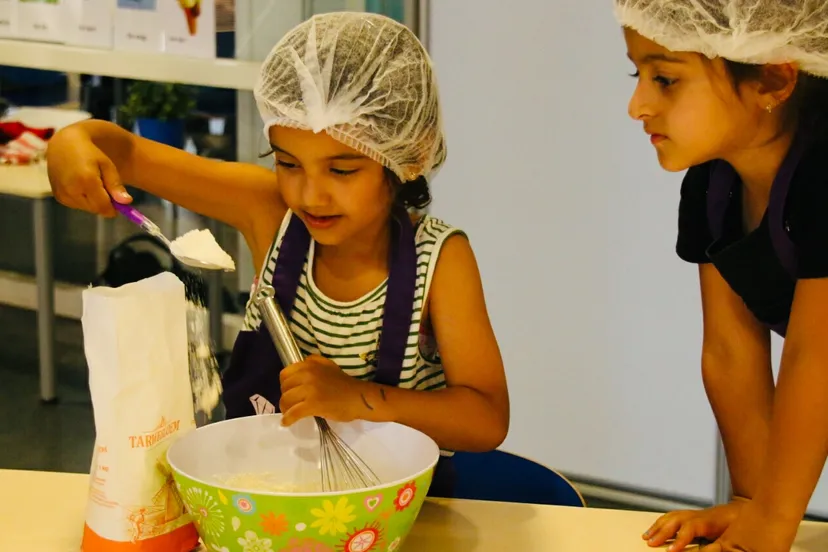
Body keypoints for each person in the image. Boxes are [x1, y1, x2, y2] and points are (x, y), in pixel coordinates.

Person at [45, 12, 510, 498]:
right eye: (288, 163)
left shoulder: (439, 260)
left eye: (343, 170)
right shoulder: (269, 210)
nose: (310, 195)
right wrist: (70, 143)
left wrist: (356, 398)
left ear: (408, 157)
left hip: (393, 515)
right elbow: (127, 154)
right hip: (261, 501)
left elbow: (485, 417)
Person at [615, 1, 828, 551]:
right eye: (636, 74)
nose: (638, 105)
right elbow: (731, 350)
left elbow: (817, 357)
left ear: (774, 77)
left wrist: (772, 526)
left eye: (665, 79)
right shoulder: (712, 185)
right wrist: (752, 506)